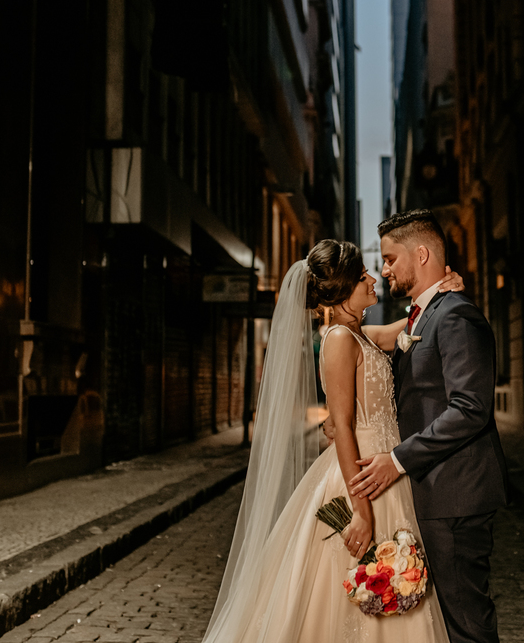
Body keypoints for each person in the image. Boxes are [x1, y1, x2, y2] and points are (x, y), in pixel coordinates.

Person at [200, 239, 463, 643]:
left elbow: (403, 331)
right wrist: (360, 511)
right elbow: (339, 425)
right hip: (361, 478)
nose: (373, 278)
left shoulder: (359, 334)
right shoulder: (339, 339)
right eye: (362, 276)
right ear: (341, 291)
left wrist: (438, 290)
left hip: (386, 470)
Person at [346, 209, 508, 643]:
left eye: (390, 258)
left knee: (467, 625)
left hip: (456, 494)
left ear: (420, 255)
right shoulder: (425, 314)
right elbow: (360, 333)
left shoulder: (455, 315)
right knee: (447, 622)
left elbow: (471, 407)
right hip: (434, 492)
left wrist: (397, 459)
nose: (384, 269)